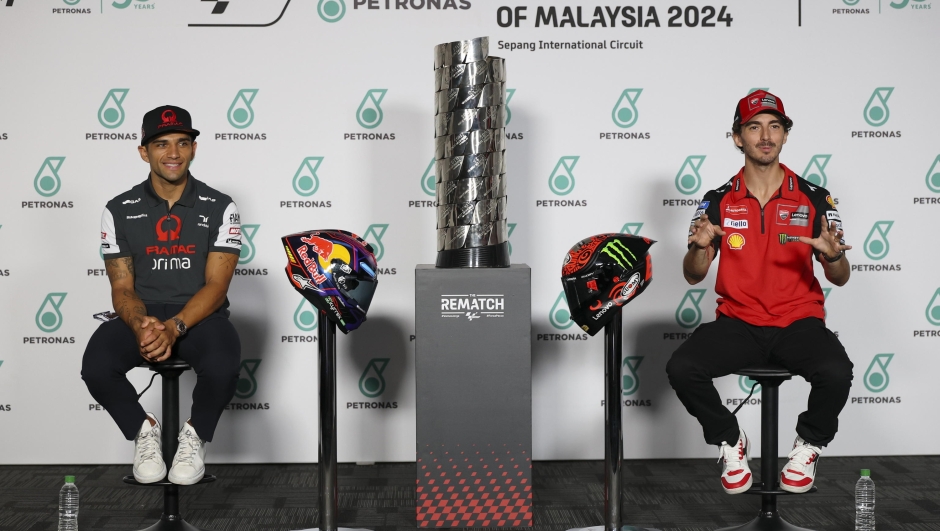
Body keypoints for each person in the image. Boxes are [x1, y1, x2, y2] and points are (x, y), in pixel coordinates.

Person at [666, 90, 854, 495]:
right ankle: (730, 440)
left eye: (774, 127)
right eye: (754, 127)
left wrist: (834, 256)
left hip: (798, 322)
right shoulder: (717, 200)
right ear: (738, 138)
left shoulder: (816, 198)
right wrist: (699, 248)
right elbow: (692, 276)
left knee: (837, 372)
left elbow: (840, 277)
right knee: (682, 367)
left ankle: (808, 444)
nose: (764, 136)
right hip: (739, 323)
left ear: (786, 135)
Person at [82, 105, 242, 485]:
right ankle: (143, 431)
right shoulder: (118, 209)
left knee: (223, 363)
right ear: (144, 152)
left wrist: (175, 326)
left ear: (193, 149)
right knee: (97, 365)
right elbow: (121, 287)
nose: (173, 153)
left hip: (200, 315)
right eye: (161, 144)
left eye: (182, 143)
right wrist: (141, 325)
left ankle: (195, 436)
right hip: (143, 315)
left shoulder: (220, 206)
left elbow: (217, 286)